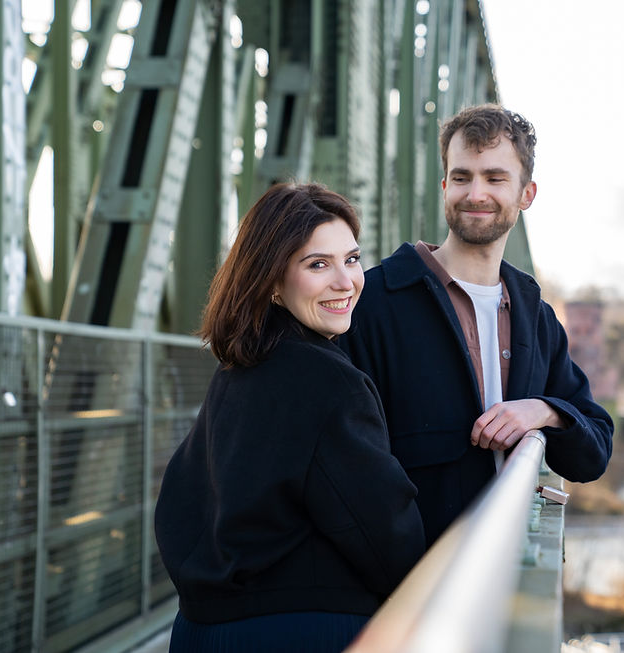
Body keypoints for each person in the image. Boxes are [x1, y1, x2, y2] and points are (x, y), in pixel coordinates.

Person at [155, 182, 425, 652]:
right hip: (300, 631)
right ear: (272, 282)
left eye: (352, 259)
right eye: (318, 264)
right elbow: (385, 533)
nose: (346, 282)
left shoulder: (239, 370)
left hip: (200, 629)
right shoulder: (328, 381)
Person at [338, 104, 613, 546]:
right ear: (445, 186)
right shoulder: (373, 302)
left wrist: (542, 411)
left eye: (495, 178)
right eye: (462, 177)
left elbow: (593, 455)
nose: (476, 193)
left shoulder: (535, 316)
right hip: (402, 584)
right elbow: (339, 462)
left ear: (527, 193)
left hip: (500, 579)